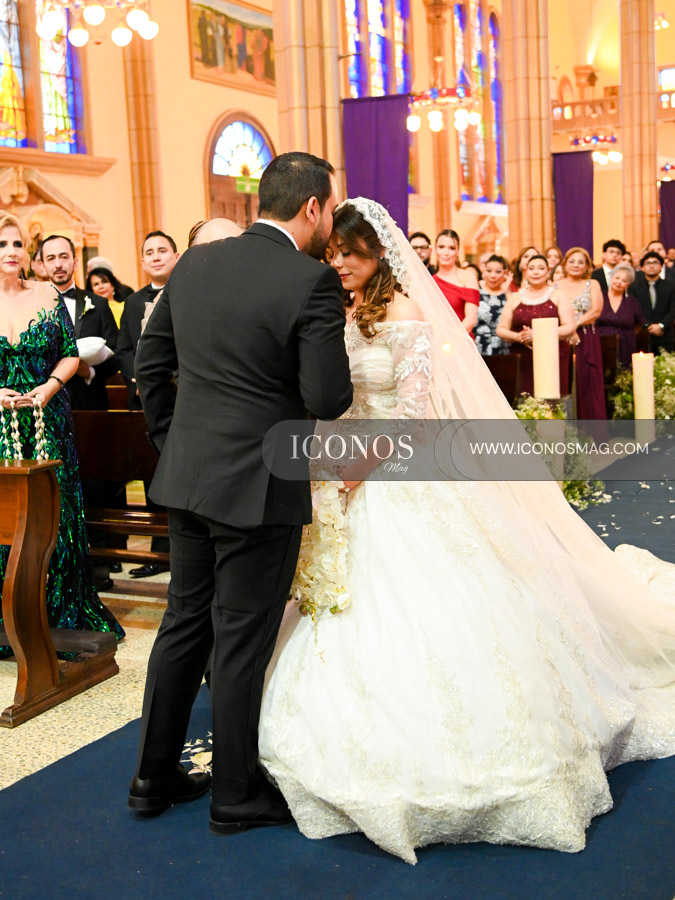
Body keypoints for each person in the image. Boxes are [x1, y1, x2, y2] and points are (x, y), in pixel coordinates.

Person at [259, 198, 675, 865]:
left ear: (378, 254)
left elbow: (414, 413)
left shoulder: (404, 312)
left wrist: (359, 470)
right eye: (331, 253)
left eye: (350, 253)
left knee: (445, 597)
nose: (337, 264)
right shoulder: (331, 309)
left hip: (398, 472)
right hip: (341, 469)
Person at [128, 152, 353, 832]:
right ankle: (234, 794)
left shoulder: (194, 262)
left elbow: (151, 362)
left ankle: (151, 777)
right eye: (329, 211)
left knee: (183, 625)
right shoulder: (309, 281)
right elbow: (327, 397)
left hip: (187, 477)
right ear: (311, 207)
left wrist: (174, 442)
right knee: (240, 639)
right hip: (258, 483)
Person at [0, 213, 124, 657]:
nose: (10, 252)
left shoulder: (47, 294)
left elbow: (71, 355)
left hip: (48, 416)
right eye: (2, 245)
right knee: (7, 517)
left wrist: (49, 387)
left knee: (56, 510)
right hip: (2, 427)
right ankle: (9, 612)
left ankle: (61, 608)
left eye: (16, 244)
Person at [497, 254, 576, 396]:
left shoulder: (558, 295)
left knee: (552, 401)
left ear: (547, 273)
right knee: (524, 400)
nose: (536, 272)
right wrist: (518, 336)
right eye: (531, 268)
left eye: (541, 268)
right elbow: (501, 329)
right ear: (525, 273)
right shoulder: (515, 297)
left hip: (553, 357)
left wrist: (539, 334)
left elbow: (569, 326)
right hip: (523, 358)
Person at [556, 247, 606, 419]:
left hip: (586, 336)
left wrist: (574, 325)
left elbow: (596, 310)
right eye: (572, 261)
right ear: (564, 264)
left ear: (587, 266)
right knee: (562, 381)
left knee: (588, 382)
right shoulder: (555, 286)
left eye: (581, 262)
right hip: (560, 337)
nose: (576, 265)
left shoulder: (592, 284)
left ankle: (591, 434)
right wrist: (567, 330)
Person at [596, 264, 644, 368]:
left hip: (627, 345)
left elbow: (640, 324)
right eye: (617, 278)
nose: (619, 282)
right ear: (611, 278)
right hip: (601, 344)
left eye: (624, 280)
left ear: (628, 284)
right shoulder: (599, 297)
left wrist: (629, 335)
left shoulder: (632, 301)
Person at [432, 230, 479, 333]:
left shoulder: (468, 276)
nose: (446, 253)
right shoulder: (430, 282)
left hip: (462, 339)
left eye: (452, 248)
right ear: (435, 250)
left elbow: (471, 319)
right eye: (441, 247)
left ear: (458, 252)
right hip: (436, 340)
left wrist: (452, 340)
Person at [630, 251, 675, 354]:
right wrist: (648, 325)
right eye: (648, 263)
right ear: (642, 268)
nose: (651, 266)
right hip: (642, 333)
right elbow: (634, 309)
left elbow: (673, 309)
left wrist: (661, 325)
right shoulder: (634, 287)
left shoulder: (671, 287)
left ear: (661, 267)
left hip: (665, 333)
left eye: (655, 263)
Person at [475, 254, 509, 355]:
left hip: (503, 349)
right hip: (478, 347)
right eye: (489, 271)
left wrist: (508, 291)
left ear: (505, 273)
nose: (493, 275)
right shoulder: (476, 290)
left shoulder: (507, 293)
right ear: (483, 272)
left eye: (498, 272)